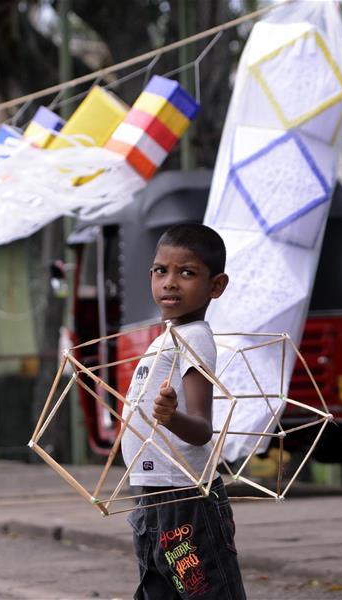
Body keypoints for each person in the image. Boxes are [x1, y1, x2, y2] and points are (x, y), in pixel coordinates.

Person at [122, 223, 245, 599]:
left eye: (186, 273)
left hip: (187, 502)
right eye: (162, 271)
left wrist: (172, 417)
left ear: (216, 286)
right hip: (153, 501)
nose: (170, 282)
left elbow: (201, 427)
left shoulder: (194, 339)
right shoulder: (167, 337)